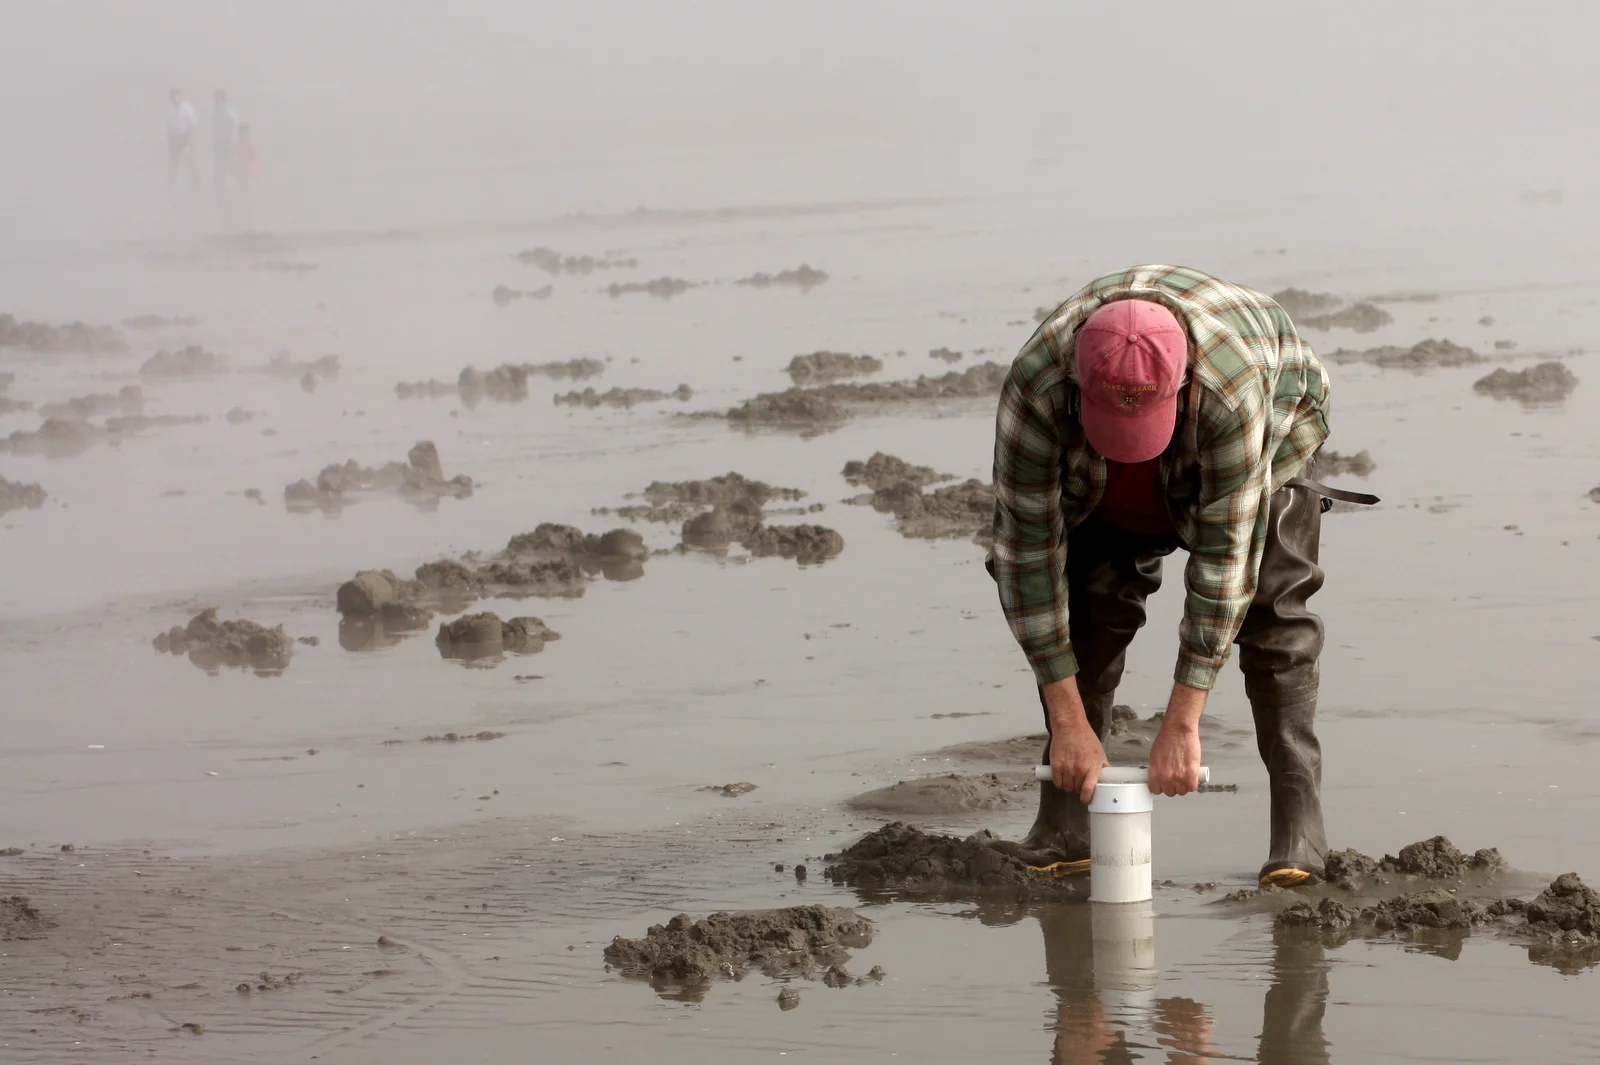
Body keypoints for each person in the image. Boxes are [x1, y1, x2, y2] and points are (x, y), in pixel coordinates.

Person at [989, 265, 1374, 889]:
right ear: (1077, 384)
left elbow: (1225, 568)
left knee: (1272, 615)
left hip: (1264, 430)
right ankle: (1063, 822)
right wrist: (1068, 724)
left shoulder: (1231, 385)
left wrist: (1182, 722)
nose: (1128, 444)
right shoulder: (1037, 386)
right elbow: (1024, 555)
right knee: (1087, 608)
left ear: (1185, 382)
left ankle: (1299, 828)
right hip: (1098, 484)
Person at [165, 89, 200, 190]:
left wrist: (192, 139)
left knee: (190, 162)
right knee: (173, 161)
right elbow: (169, 126)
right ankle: (170, 183)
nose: (174, 99)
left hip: (186, 138)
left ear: (180, 96)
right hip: (175, 139)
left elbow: (193, 124)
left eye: (176, 96)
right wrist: (168, 139)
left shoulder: (187, 108)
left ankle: (198, 182)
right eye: (172, 97)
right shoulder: (170, 110)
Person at [211, 90, 239, 196]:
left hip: (226, 139)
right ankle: (219, 183)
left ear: (222, 98)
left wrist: (232, 138)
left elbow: (234, 122)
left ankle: (237, 179)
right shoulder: (216, 109)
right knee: (218, 161)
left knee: (227, 161)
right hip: (217, 139)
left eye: (216, 97)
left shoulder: (226, 109)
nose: (214, 99)